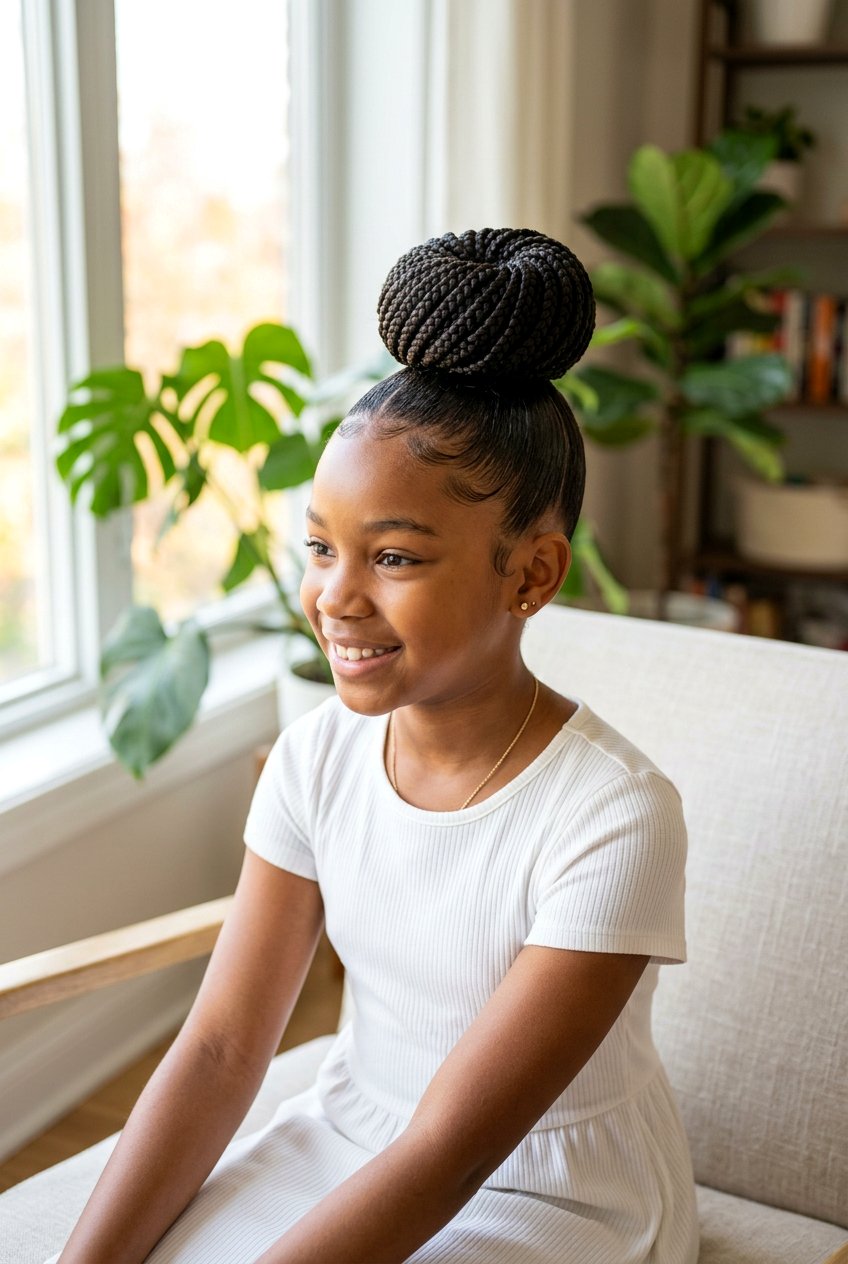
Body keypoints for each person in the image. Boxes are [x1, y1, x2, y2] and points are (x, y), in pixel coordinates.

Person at [50, 228, 699, 1264]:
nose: (334, 598)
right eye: (319, 546)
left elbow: (450, 1146)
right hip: (351, 1133)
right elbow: (221, 1049)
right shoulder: (314, 759)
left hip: (547, 1194)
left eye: (392, 554)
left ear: (530, 575)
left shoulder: (614, 814)